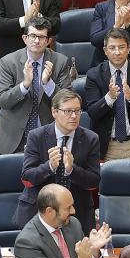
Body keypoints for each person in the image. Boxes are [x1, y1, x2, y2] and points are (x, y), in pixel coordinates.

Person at [17, 89, 100, 234]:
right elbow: (27, 177)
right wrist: (49, 167)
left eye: (77, 111)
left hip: (76, 211)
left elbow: (94, 181)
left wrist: (72, 170)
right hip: (39, 210)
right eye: (68, 111)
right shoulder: (37, 136)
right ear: (54, 112)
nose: (74, 116)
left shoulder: (90, 139)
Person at [0, 17, 73, 155]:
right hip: (12, 137)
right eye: (32, 36)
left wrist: (48, 84)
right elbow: (3, 101)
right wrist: (24, 85)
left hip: (46, 137)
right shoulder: (8, 62)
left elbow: (68, 103)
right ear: (24, 38)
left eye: (41, 37)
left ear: (48, 41)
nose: (36, 41)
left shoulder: (60, 62)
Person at [84, 27, 130, 160]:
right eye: (112, 48)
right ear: (105, 51)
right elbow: (92, 112)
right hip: (106, 147)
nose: (117, 52)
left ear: (128, 49)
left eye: (121, 47)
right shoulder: (94, 75)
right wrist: (109, 98)